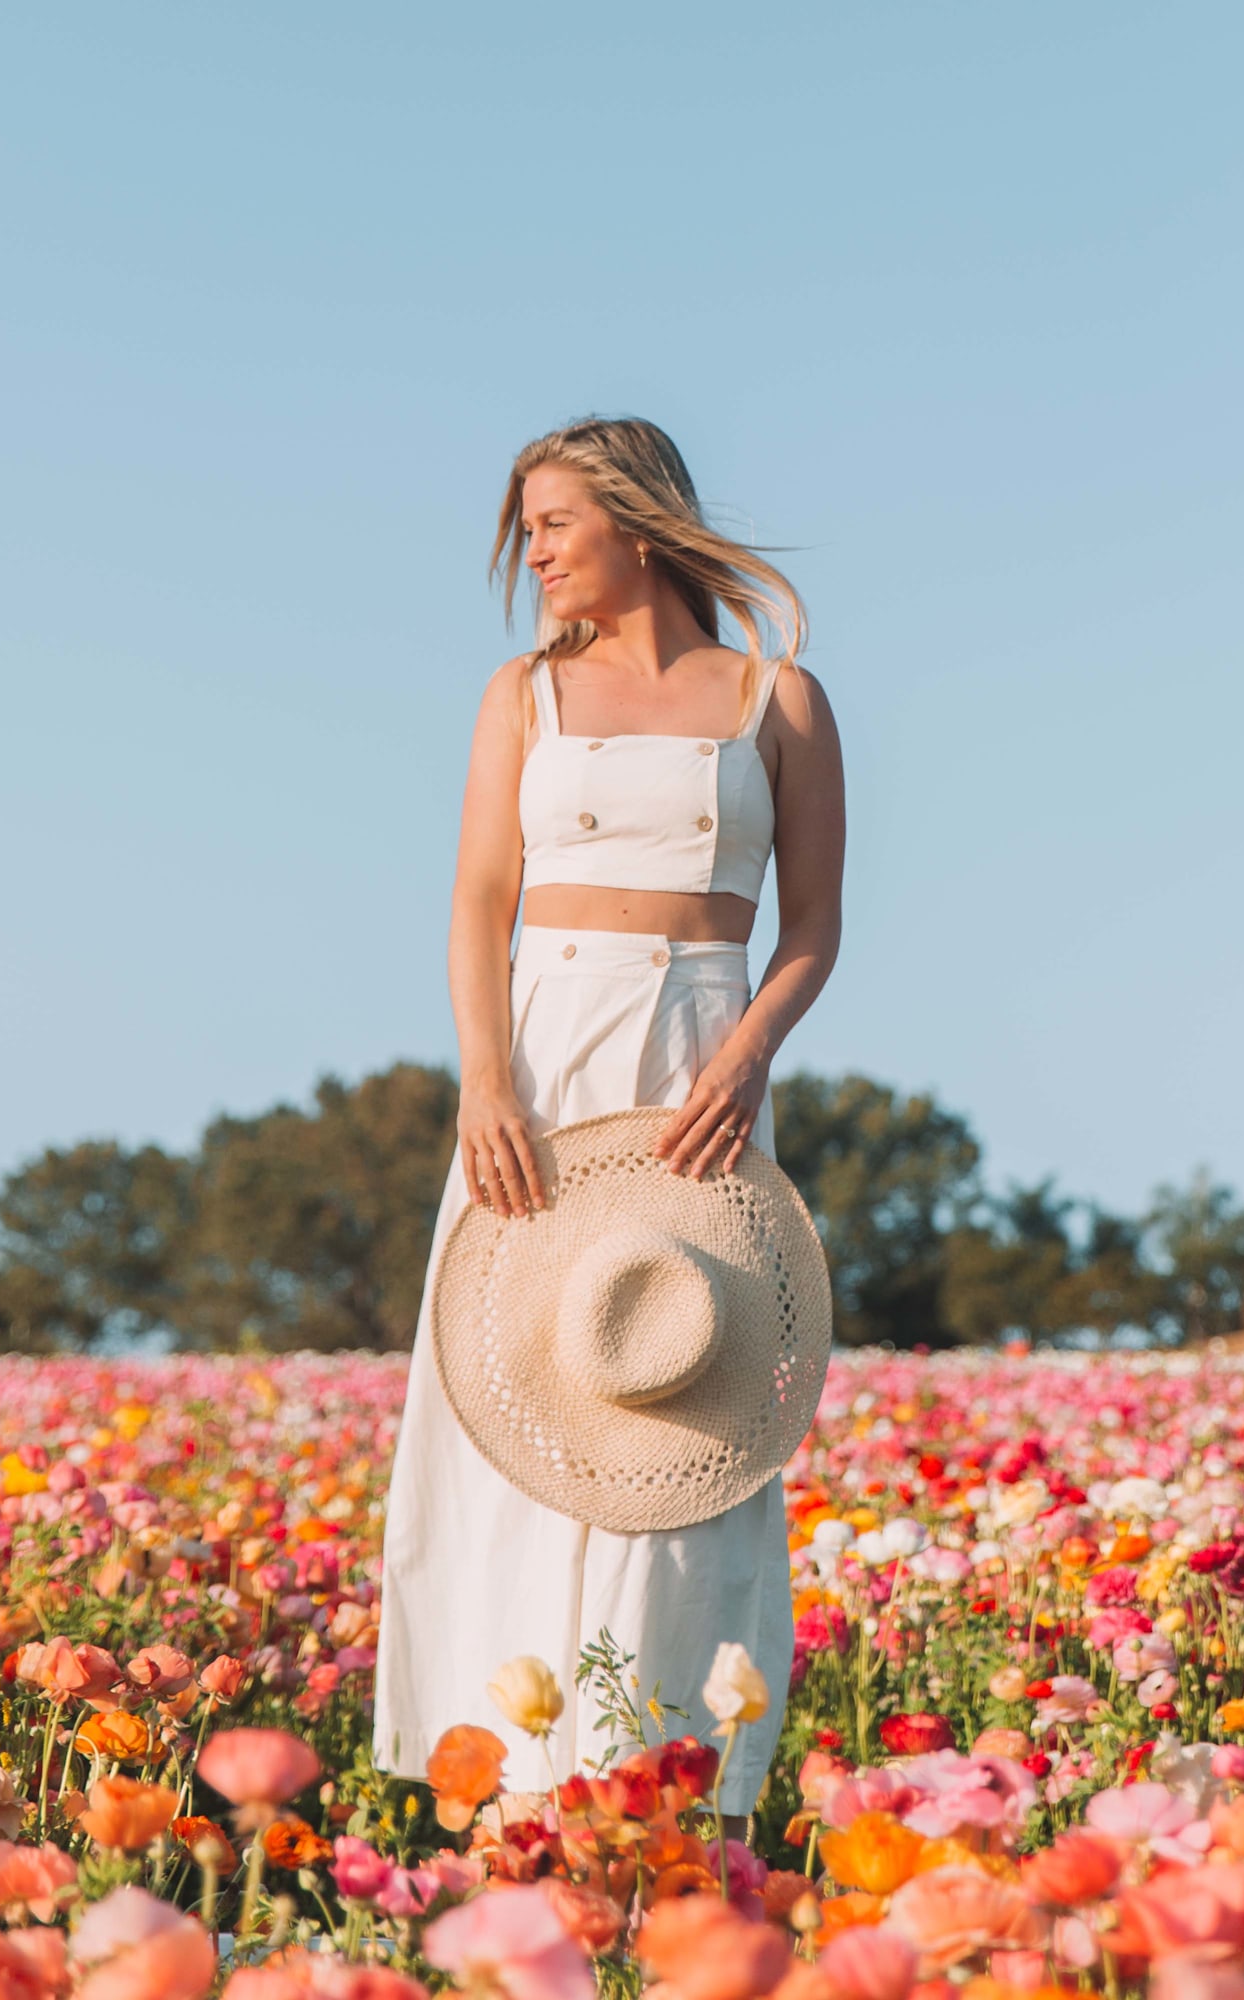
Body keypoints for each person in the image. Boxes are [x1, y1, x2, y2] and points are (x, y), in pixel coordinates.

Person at [372, 415, 846, 1843]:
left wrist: (751, 1053)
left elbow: (814, 925)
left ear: (638, 526)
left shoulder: (782, 697)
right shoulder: (522, 694)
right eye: (528, 525)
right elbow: (475, 902)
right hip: (543, 1059)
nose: (535, 552)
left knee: (680, 1395)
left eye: (554, 523)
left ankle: (668, 1784)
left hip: (698, 1065)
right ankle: (512, 1793)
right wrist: (484, 1082)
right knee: (520, 1381)